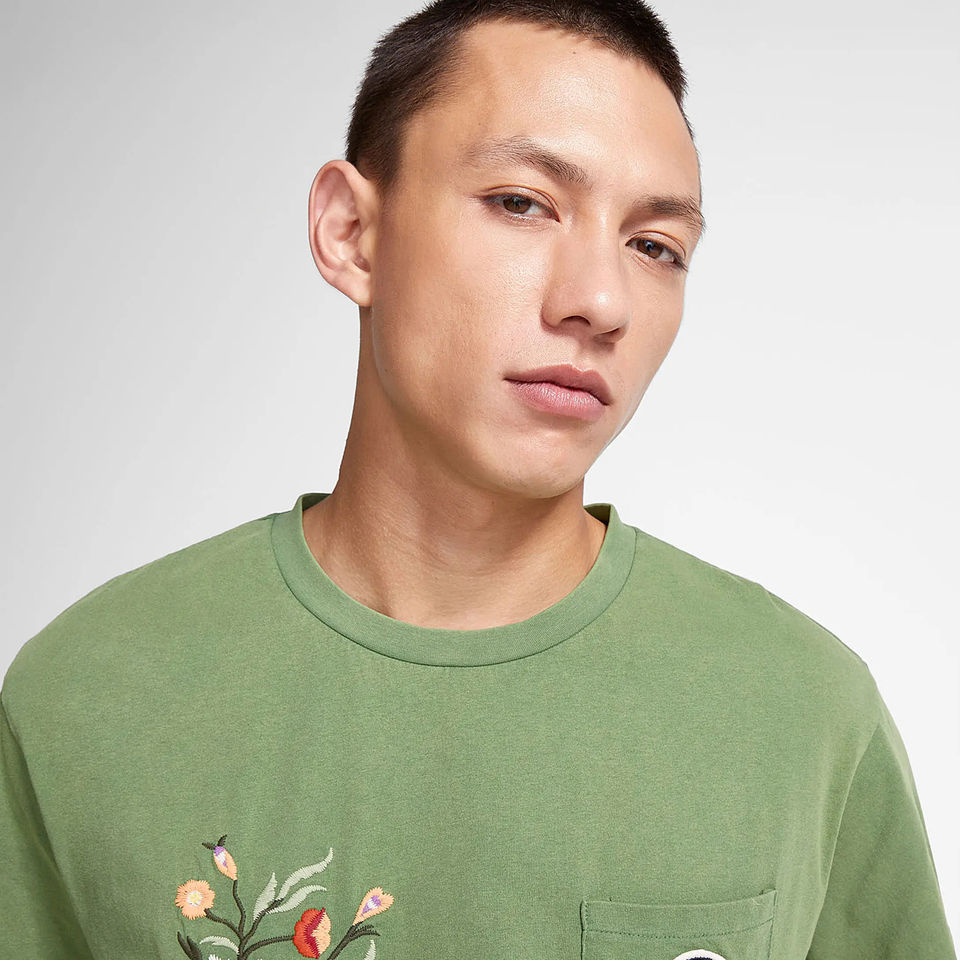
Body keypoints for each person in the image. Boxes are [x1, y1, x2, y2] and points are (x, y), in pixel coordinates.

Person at [1, 0, 954, 958]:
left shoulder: (802, 712)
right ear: (351, 232)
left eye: (654, 246)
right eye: (522, 204)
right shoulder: (88, 698)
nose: (600, 301)